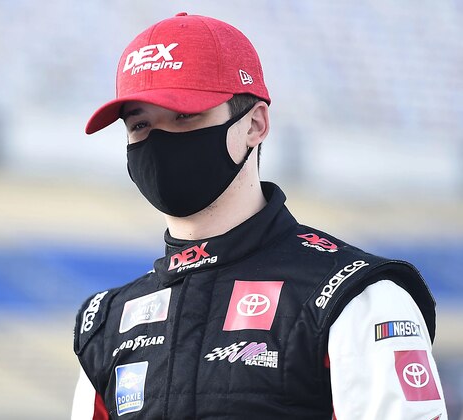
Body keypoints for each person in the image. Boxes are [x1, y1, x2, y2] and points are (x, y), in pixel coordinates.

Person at [71, 12, 447, 419]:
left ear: (255, 124)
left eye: (185, 116)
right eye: (140, 124)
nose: (160, 141)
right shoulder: (105, 323)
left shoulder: (355, 296)